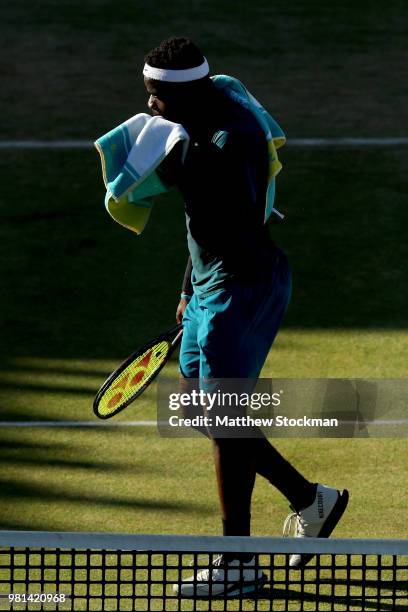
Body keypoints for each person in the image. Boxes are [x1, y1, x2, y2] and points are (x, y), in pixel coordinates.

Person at [143, 37, 349, 597]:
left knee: (223, 417)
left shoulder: (229, 138)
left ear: (183, 94)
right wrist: (189, 286)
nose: (149, 106)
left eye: (155, 96)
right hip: (213, 286)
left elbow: (230, 216)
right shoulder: (200, 118)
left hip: (243, 289)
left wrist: (177, 165)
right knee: (207, 412)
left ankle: (238, 561)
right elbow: (200, 227)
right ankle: (310, 499)